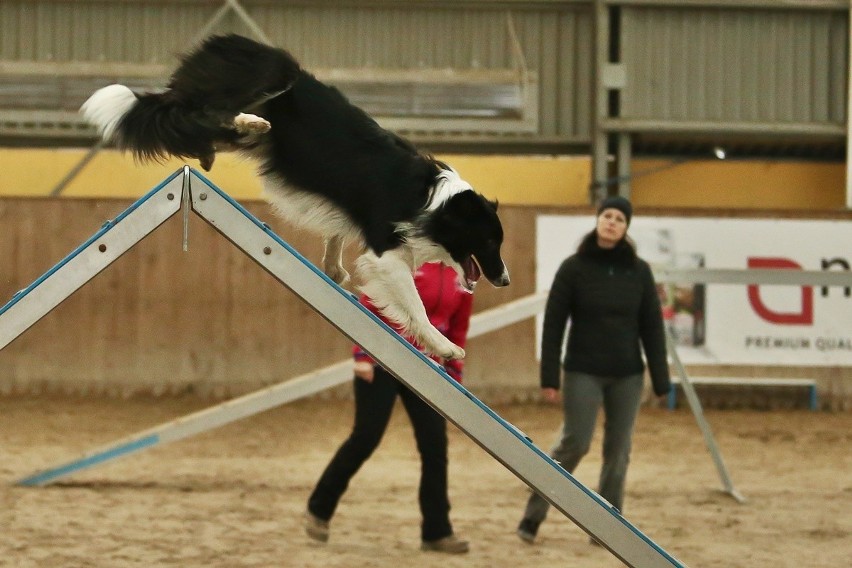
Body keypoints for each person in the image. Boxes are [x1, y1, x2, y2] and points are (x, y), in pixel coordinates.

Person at [516, 195, 671, 544]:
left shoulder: (639, 271)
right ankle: (533, 514)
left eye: (619, 217)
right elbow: (554, 324)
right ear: (598, 220)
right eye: (607, 215)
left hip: (627, 374)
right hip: (583, 370)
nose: (612, 222)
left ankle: (608, 527)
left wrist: (661, 380)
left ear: (626, 227)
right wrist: (549, 378)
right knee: (576, 442)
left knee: (619, 450)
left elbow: (652, 326)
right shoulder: (574, 267)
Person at [304, 261, 474, 554]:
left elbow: (457, 328)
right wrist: (362, 353)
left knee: (435, 447)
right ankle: (319, 508)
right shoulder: (412, 258)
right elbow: (372, 300)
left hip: (428, 365)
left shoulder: (465, 274)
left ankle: (436, 532)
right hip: (383, 357)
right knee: (366, 437)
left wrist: (454, 375)